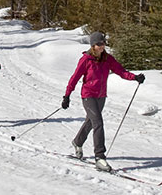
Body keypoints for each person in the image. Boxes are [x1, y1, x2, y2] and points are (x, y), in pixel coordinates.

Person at [62, 31, 145, 172]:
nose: (102, 46)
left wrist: (135, 77)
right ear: (93, 45)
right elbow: (74, 78)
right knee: (98, 123)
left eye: (103, 43)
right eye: (99, 44)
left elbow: (121, 71)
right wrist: (67, 96)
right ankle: (99, 157)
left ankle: (77, 142)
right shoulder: (86, 60)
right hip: (88, 96)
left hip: (101, 96)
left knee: (91, 122)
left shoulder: (108, 59)